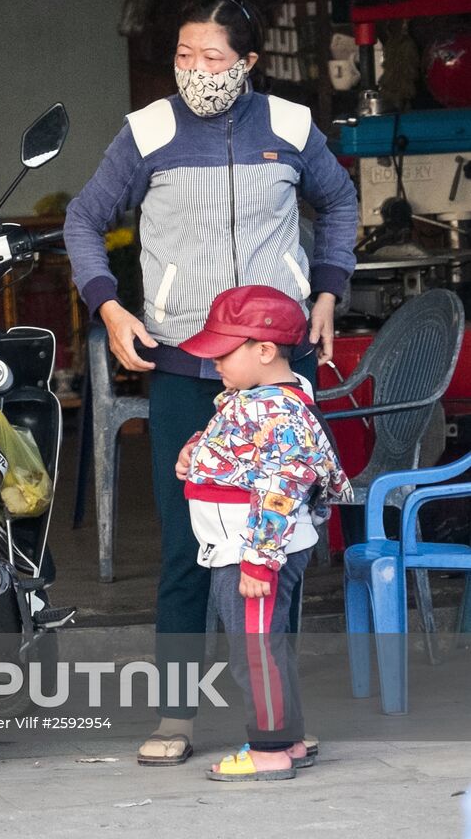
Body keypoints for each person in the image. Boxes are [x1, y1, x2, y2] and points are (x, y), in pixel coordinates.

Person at [63, 0, 358, 766]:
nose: (197, 72)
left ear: (250, 62)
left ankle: (280, 720)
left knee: (284, 545)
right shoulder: (149, 131)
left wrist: (327, 288)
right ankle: (175, 718)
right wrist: (111, 308)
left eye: (215, 58)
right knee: (188, 543)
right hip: (187, 370)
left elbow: (338, 201)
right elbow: (84, 220)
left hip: (273, 376)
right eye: (185, 57)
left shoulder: (290, 128)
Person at [173, 286, 351, 780]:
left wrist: (257, 561)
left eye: (223, 352)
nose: (215, 364)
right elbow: (239, 446)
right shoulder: (265, 399)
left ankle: (269, 752)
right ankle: (288, 741)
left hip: (251, 551)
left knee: (253, 651)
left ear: (265, 350)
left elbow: (279, 488)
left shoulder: (275, 411)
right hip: (245, 547)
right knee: (267, 645)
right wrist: (196, 451)